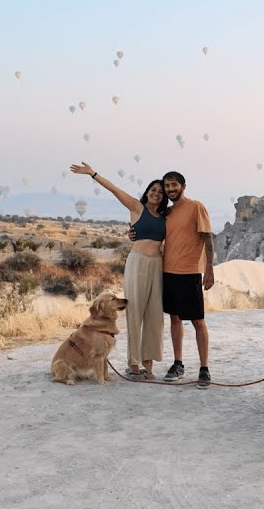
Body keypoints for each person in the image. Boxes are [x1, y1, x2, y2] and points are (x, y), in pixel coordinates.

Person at [70, 161, 167, 380]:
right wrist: (92, 173)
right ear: (147, 192)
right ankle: (133, 366)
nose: (156, 194)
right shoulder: (136, 207)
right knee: (134, 314)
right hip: (138, 262)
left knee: (155, 317)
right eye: (153, 190)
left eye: (160, 193)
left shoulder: (165, 217)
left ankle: (148, 367)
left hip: (157, 265)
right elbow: (114, 190)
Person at [158, 170, 214, 387]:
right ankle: (178, 363)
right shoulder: (167, 213)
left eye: (174, 185)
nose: (170, 189)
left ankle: (204, 368)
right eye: (167, 186)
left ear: (183, 186)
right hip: (168, 272)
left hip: (190, 273)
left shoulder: (196, 207)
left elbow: (207, 239)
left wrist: (209, 269)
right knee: (174, 318)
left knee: (198, 321)